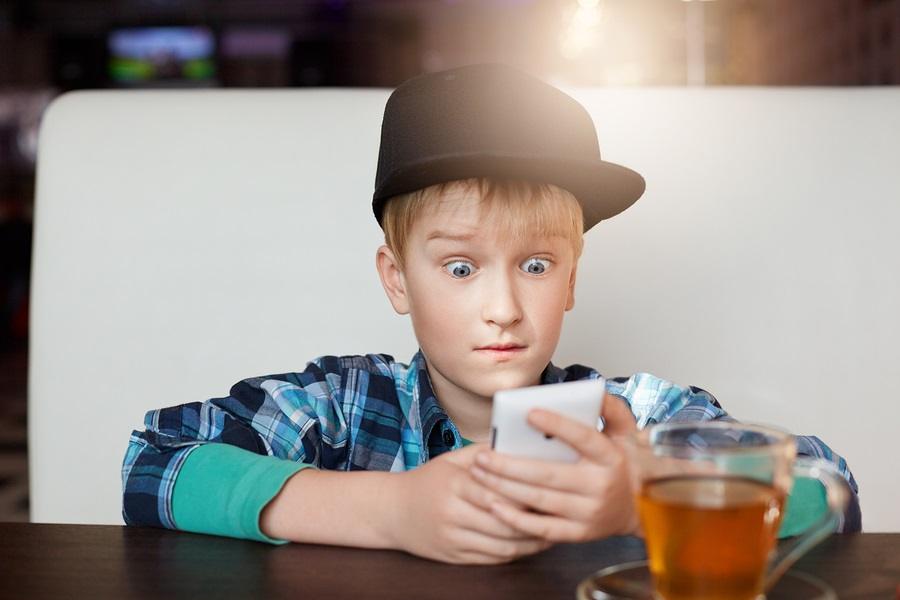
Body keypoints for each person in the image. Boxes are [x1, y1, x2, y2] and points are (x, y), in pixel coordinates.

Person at [121, 63, 861, 564]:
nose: (503, 308)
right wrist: (388, 513)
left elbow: (833, 494)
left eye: (535, 266)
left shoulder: (638, 416)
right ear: (397, 279)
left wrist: (645, 497)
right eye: (461, 267)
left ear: (571, 279)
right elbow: (151, 464)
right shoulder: (342, 409)